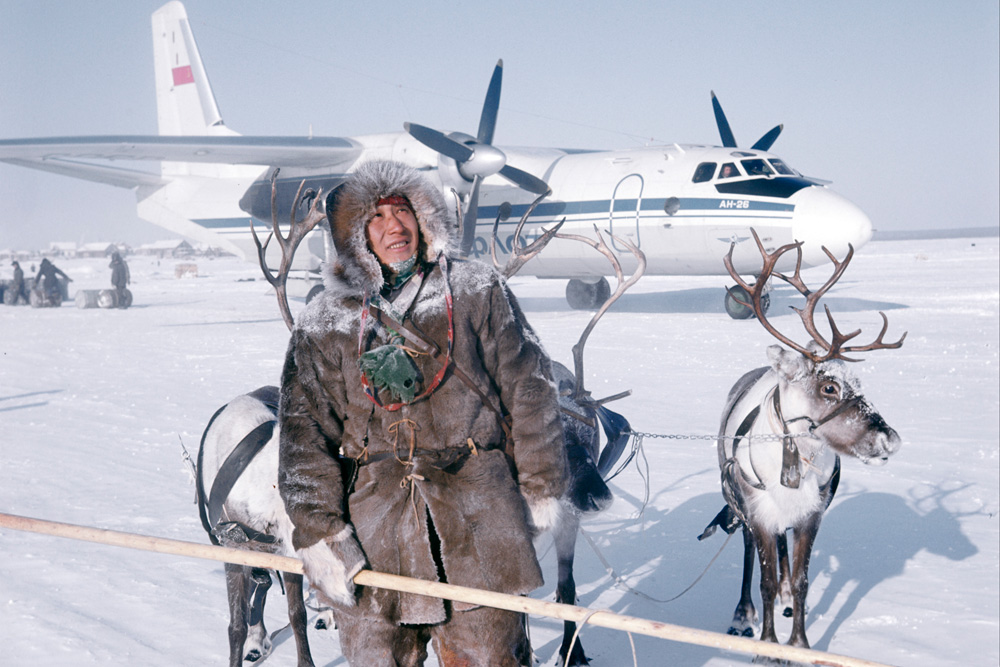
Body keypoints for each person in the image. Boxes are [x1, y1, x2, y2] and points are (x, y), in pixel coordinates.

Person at [277, 160, 569, 666]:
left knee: (488, 658)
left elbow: (531, 391)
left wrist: (539, 490)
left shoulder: (477, 290)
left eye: (404, 210)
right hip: (372, 528)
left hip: (479, 519)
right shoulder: (325, 320)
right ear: (354, 235)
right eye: (377, 217)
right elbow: (305, 438)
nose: (395, 226)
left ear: (425, 217)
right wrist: (322, 533)